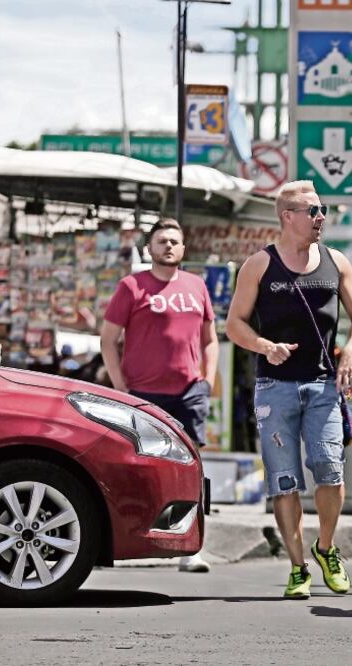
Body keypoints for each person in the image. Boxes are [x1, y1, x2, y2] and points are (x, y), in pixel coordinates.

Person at [226, 180, 352, 599]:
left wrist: (351, 351)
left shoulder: (336, 261)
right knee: (284, 481)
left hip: (324, 385)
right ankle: (297, 567)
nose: (321, 217)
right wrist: (263, 346)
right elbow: (234, 324)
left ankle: (325, 548)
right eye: (313, 211)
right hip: (274, 388)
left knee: (330, 470)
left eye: (322, 210)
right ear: (288, 216)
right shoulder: (259, 264)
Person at [100, 218, 218, 574]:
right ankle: (131, 540)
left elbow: (210, 339)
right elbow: (108, 340)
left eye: (174, 241)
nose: (168, 246)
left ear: (183, 249)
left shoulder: (197, 286)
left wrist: (207, 382)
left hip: (188, 393)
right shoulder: (131, 286)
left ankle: (191, 549)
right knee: (138, 469)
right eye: (162, 241)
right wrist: (121, 388)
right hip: (143, 396)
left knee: (192, 472)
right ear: (149, 248)